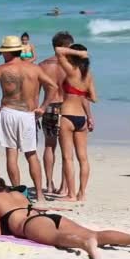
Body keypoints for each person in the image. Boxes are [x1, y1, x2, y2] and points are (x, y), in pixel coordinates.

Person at [0, 174, 130, 259]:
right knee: (94, 234)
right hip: (49, 217)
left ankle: (83, 244)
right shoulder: (17, 194)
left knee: (57, 237)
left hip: (30, 224)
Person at [0, 36, 58, 202]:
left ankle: (18, 194)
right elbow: (53, 86)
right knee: (31, 155)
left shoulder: (1, 69)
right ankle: (40, 194)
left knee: (11, 155)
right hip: (28, 114)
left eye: (2, 52)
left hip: (8, 112)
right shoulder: (34, 69)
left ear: (7, 52)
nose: (1, 55)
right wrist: (43, 107)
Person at [54, 44, 97, 202]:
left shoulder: (71, 71)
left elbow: (59, 51)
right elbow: (93, 97)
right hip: (82, 119)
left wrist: (78, 52)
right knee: (83, 158)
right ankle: (82, 193)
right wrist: (80, 95)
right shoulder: (88, 75)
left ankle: (71, 194)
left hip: (67, 115)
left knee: (68, 158)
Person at [38, 32, 74, 194]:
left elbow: (34, 92)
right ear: (67, 47)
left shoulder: (43, 65)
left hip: (49, 107)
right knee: (67, 150)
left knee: (49, 146)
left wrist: (37, 110)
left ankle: (49, 183)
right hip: (68, 108)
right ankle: (63, 186)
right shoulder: (73, 66)